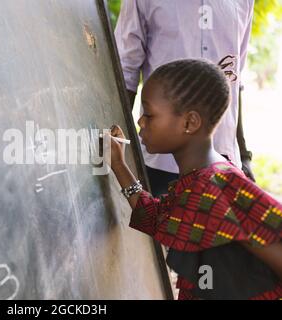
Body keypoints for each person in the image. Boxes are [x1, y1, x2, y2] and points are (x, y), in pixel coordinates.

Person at [107, 59, 282, 300]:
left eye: (148, 113)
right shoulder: (196, 181)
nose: (140, 121)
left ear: (190, 122)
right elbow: (159, 219)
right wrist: (119, 165)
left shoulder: (220, 185)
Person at [114, 0, 256, 196]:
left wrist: (243, 153)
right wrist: (115, 149)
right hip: (161, 161)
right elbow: (125, 71)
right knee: (157, 223)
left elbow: (235, 77)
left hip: (223, 156)